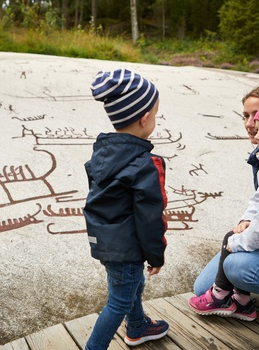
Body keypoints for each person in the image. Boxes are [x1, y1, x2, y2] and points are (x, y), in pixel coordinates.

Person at [193, 81, 259, 327]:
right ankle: (239, 298)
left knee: (238, 268)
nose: (250, 125)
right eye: (247, 116)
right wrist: (246, 222)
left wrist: (240, 243)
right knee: (203, 286)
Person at [83, 68, 169, 349]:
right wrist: (156, 254)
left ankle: (137, 326)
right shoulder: (144, 163)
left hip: (107, 241)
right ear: (144, 118)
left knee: (131, 284)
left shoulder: (103, 152)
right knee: (118, 299)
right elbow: (150, 217)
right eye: (155, 114)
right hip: (128, 244)